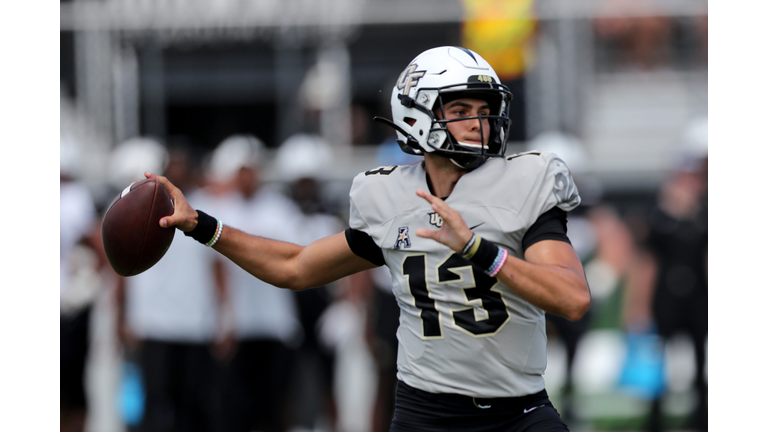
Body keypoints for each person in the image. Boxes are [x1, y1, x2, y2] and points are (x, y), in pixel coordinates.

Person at [148, 46, 591, 432]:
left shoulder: (525, 183)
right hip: (426, 414)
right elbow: (295, 267)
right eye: (460, 112)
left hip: (519, 411)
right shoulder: (388, 196)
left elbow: (572, 298)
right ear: (418, 115)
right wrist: (201, 225)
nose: (479, 122)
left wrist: (479, 250)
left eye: (484, 108)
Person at [115, 141, 227, 432]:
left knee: (194, 409)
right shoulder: (142, 211)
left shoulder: (207, 211)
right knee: (152, 408)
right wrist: (123, 317)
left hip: (195, 324)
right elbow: (123, 268)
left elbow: (219, 271)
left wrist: (225, 319)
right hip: (153, 324)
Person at [206, 134, 304, 432]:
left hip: (275, 322)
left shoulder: (280, 208)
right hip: (241, 325)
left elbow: (299, 258)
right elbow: (217, 270)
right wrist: (225, 319)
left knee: (276, 404)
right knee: (238, 407)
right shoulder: (224, 209)